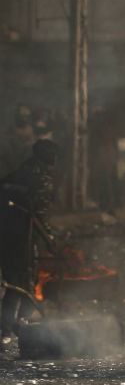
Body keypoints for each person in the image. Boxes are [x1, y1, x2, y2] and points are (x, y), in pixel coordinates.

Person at [0, 139, 57, 348]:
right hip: (23, 238)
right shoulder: (42, 179)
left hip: (5, 236)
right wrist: (50, 240)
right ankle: (18, 326)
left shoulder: (18, 172)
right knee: (24, 284)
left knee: (12, 282)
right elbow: (40, 216)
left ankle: (8, 328)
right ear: (50, 158)